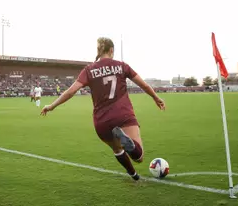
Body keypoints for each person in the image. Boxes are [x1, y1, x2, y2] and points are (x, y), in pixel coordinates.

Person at [41, 37, 166, 181]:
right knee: (139, 157)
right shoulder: (122, 66)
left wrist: (51, 106)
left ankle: (133, 175)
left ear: (98, 51)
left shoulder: (89, 70)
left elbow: (70, 92)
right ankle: (130, 146)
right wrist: (156, 98)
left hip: (101, 121)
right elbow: (143, 84)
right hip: (123, 114)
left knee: (117, 149)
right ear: (111, 50)